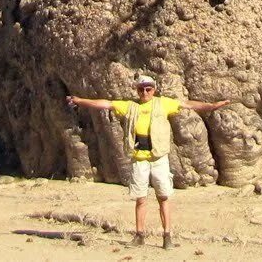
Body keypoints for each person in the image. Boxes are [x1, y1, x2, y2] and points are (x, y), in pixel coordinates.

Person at [66, 74, 230, 248]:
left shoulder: (163, 103)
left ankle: (167, 236)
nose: (145, 92)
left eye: (148, 89)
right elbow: (105, 103)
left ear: (154, 90)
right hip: (139, 159)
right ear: (137, 90)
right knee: (141, 198)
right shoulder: (130, 106)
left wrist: (211, 106)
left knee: (163, 197)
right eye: (141, 89)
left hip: (158, 158)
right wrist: (80, 100)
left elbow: (188, 104)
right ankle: (139, 235)